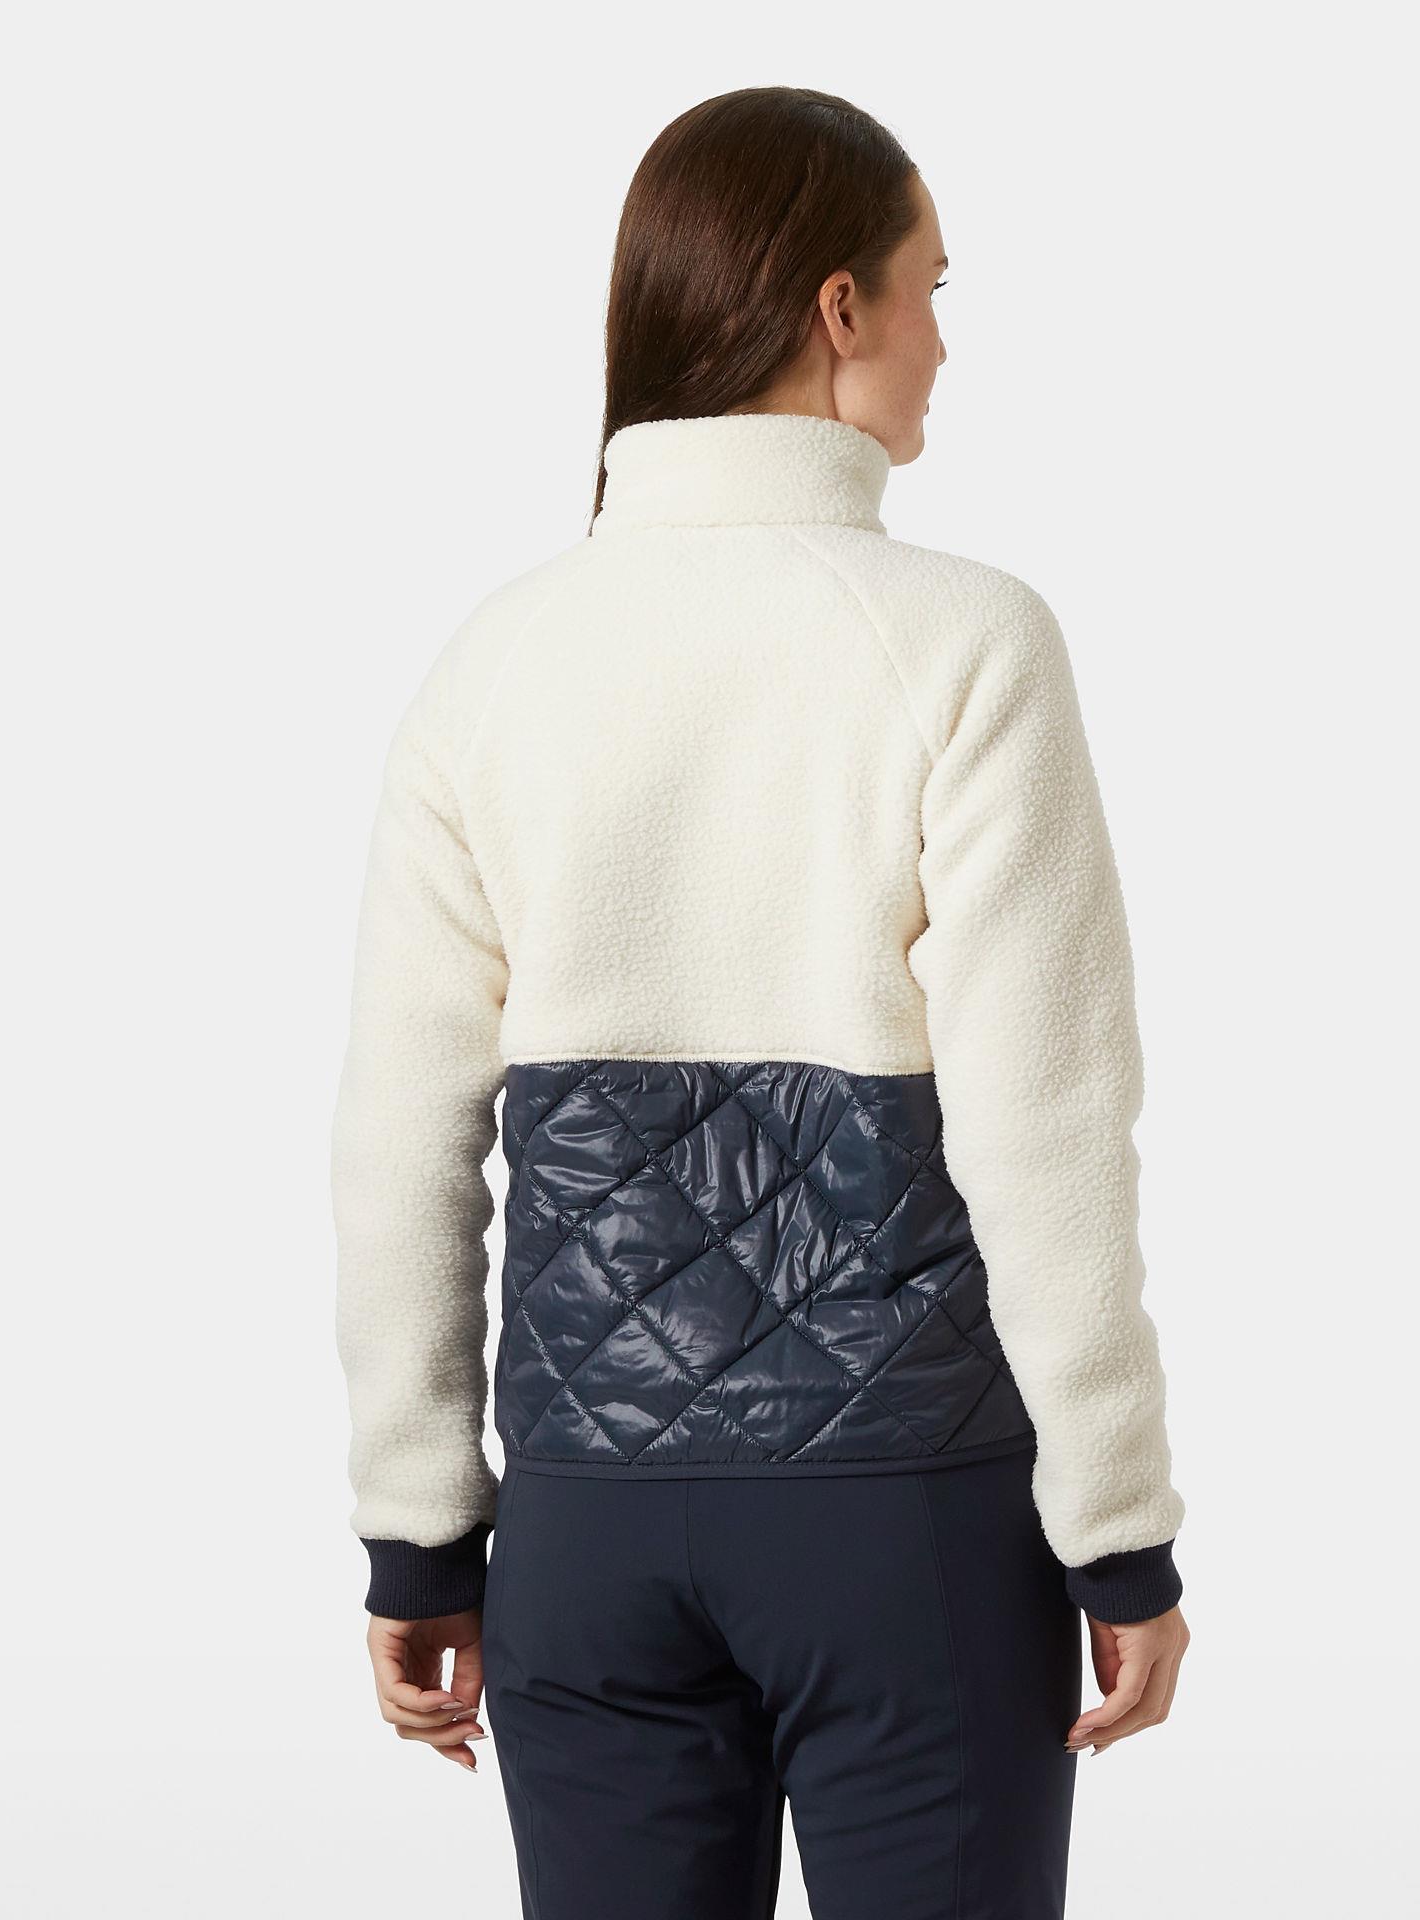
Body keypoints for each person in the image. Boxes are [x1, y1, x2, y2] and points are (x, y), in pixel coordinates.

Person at [330, 84, 1189, 1920]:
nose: (947, 337)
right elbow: (1046, 1124)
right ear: (836, 307)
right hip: (910, 1521)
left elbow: (400, 1140)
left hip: (585, 1535)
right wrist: (1117, 1533)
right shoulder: (967, 640)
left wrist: (418, 1532)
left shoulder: (495, 661)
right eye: (934, 286)